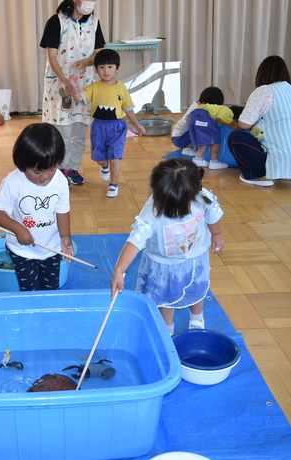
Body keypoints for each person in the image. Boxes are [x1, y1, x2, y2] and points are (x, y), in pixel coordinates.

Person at [110, 158, 225, 334]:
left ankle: (197, 316)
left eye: (181, 207)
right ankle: (167, 327)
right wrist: (119, 270)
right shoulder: (152, 213)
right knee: (166, 297)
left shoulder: (202, 198)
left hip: (195, 259)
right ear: (157, 194)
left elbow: (212, 216)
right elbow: (134, 242)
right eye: (170, 208)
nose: (176, 213)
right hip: (163, 266)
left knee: (198, 289)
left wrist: (216, 234)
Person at [0, 123, 74, 291]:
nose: (45, 176)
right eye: (37, 172)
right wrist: (18, 229)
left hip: (51, 249)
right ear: (23, 163)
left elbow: (62, 211)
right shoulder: (13, 183)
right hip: (22, 251)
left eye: (51, 168)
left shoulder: (60, 181)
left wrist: (65, 237)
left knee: (51, 288)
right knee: (30, 290)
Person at [40, 0, 105, 186]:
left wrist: (86, 62)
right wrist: (65, 81)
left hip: (85, 86)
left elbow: (98, 53)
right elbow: (51, 57)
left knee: (79, 130)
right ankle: (58, 170)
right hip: (60, 84)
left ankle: (72, 168)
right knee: (63, 133)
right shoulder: (56, 22)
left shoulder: (94, 22)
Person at [68, 48, 146, 197]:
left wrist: (136, 124)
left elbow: (128, 108)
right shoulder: (94, 87)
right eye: (102, 67)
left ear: (117, 69)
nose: (106, 70)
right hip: (99, 127)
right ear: (96, 70)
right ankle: (104, 167)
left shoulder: (121, 88)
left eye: (110, 67)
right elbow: (79, 99)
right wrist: (74, 86)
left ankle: (114, 184)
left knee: (114, 158)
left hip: (117, 127)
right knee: (100, 158)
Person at [228, 55, 291, 186]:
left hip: (281, 159)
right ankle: (286, 172)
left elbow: (244, 124)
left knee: (235, 137)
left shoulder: (264, 91)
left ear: (262, 74)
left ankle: (253, 176)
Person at [187, 86, 236, 170]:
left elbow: (188, 117)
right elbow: (221, 118)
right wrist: (232, 125)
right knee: (215, 140)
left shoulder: (202, 106)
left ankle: (198, 158)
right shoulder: (223, 109)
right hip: (205, 120)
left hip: (192, 118)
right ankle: (214, 161)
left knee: (205, 139)